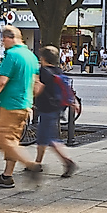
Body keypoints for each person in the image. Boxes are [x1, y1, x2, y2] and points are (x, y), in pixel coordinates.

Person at [0, 25, 43, 188]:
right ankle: (7, 176)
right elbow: (36, 84)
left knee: (2, 139)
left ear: (9, 38)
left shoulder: (12, 55)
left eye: (3, 39)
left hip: (10, 104)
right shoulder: (31, 56)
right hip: (25, 105)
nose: (3, 43)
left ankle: (31, 165)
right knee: (13, 140)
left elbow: (1, 82)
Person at [34, 46, 79, 178]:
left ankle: (67, 161)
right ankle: (37, 163)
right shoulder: (58, 70)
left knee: (49, 139)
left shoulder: (43, 72)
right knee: (43, 138)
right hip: (57, 107)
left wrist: (34, 83)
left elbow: (38, 90)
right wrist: (73, 102)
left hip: (46, 108)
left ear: (43, 58)